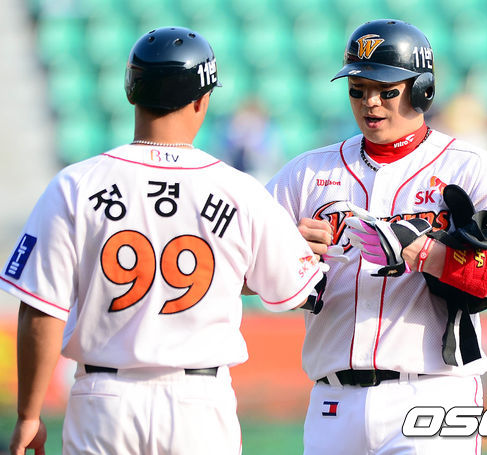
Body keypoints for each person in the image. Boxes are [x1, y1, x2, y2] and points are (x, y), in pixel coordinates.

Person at [0, 26, 322, 455]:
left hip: (103, 399)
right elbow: (295, 292)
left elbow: (41, 309)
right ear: (202, 100)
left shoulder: (76, 184)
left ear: (131, 91)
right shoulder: (239, 190)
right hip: (198, 404)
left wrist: (28, 415)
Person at [266, 19, 487, 455]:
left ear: (422, 91)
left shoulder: (469, 167)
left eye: (386, 90)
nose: (370, 102)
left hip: (431, 394)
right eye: (358, 89)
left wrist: (427, 253)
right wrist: (284, 255)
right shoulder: (307, 172)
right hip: (332, 401)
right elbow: (236, 269)